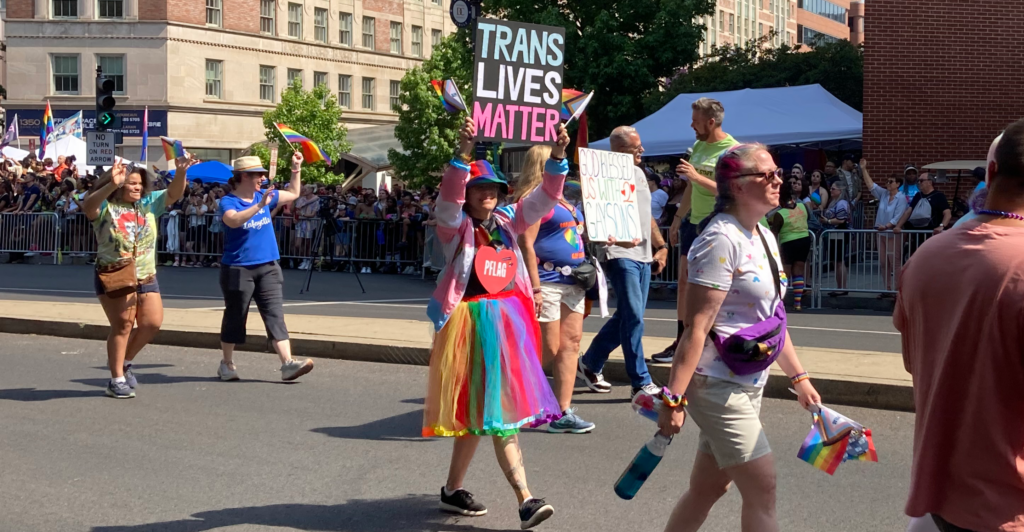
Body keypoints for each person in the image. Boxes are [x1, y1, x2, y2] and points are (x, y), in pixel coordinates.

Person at [658, 143, 821, 532]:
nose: (778, 179)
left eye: (778, 172)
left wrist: (799, 378)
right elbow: (695, 328)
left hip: (749, 379)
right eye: (767, 175)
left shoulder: (762, 233)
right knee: (763, 487)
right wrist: (673, 399)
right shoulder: (720, 240)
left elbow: (772, 320)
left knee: (709, 488)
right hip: (715, 384)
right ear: (737, 186)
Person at [423, 117, 568, 530]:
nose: (486, 194)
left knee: (481, 412)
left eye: (492, 188)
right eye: (478, 188)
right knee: (498, 412)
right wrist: (462, 154)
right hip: (469, 325)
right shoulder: (455, 227)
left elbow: (545, 198)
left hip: (508, 323)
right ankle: (525, 498)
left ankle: (452, 490)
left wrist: (558, 156)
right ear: (467, 194)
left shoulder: (510, 220)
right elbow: (447, 202)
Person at [895, 120, 1024, 532]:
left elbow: (916, 364)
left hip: (944, 500)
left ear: (990, 173)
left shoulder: (925, 258)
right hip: (1009, 505)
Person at [82, 156, 192, 398]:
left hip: (146, 275)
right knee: (122, 325)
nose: (137, 187)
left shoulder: (149, 203)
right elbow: (88, 206)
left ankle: (126, 362)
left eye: (140, 184)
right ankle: (116, 379)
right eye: (131, 183)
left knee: (152, 323)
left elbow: (173, 194)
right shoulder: (105, 207)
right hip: (115, 274)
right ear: (119, 184)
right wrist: (111, 184)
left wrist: (181, 172)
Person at [577, 125, 669, 397]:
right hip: (619, 254)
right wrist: (613, 239)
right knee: (633, 318)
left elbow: (647, 216)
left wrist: (661, 246)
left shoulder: (640, 174)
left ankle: (591, 362)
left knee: (631, 316)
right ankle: (640, 381)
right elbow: (594, 219)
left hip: (642, 254)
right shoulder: (603, 177)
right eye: (636, 147)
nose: (642, 150)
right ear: (619, 150)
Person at [514, 144, 596, 434]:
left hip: (573, 282)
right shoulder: (534, 201)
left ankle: (562, 411)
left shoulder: (564, 201)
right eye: (555, 160)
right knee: (546, 346)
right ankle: (512, 395)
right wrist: (534, 287)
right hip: (547, 283)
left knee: (570, 344)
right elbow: (526, 243)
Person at [215, 154, 314, 382]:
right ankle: (227, 364)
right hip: (238, 268)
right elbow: (233, 220)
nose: (262, 178)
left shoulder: (265, 196)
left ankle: (287, 364)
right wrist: (259, 205)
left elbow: (294, 193)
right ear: (243, 177)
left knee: (274, 314)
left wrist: (296, 169)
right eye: (257, 174)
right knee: (235, 316)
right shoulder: (229, 201)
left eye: (262, 173)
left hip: (268, 265)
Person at [656, 97, 739, 363]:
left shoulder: (732, 151)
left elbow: (731, 191)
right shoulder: (699, 146)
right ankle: (681, 339)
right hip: (695, 222)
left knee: (714, 287)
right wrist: (680, 215)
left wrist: (696, 176)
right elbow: (691, 187)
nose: (692, 125)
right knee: (684, 282)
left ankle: (710, 340)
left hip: (718, 224)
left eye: (696, 120)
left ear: (711, 122)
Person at [860, 159, 907, 297]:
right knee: (883, 262)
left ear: (898, 184)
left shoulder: (901, 198)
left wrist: (887, 226)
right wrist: (863, 169)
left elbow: (898, 216)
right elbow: (871, 186)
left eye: (890, 181)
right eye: (887, 181)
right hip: (880, 233)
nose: (887, 183)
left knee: (895, 262)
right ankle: (887, 289)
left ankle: (898, 290)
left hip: (892, 233)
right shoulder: (884, 194)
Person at [769, 178, 812, 311]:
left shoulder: (780, 214)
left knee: (785, 273)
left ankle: (780, 302)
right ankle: (797, 303)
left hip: (788, 243)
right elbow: (808, 218)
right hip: (804, 240)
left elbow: (774, 233)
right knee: (799, 271)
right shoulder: (803, 207)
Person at [894, 171, 951, 259]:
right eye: (919, 181)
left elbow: (947, 213)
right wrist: (898, 226)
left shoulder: (939, 196)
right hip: (917, 235)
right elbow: (908, 212)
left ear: (930, 182)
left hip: (931, 235)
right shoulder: (918, 195)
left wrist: (941, 226)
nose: (919, 183)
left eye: (921, 181)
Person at [820, 183, 851, 297]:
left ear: (840, 191)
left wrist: (827, 221)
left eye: (833, 189)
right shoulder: (834, 202)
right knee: (835, 261)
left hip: (840, 234)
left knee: (839, 261)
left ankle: (842, 287)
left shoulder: (842, 203)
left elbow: (841, 220)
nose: (831, 190)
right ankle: (839, 286)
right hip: (833, 234)